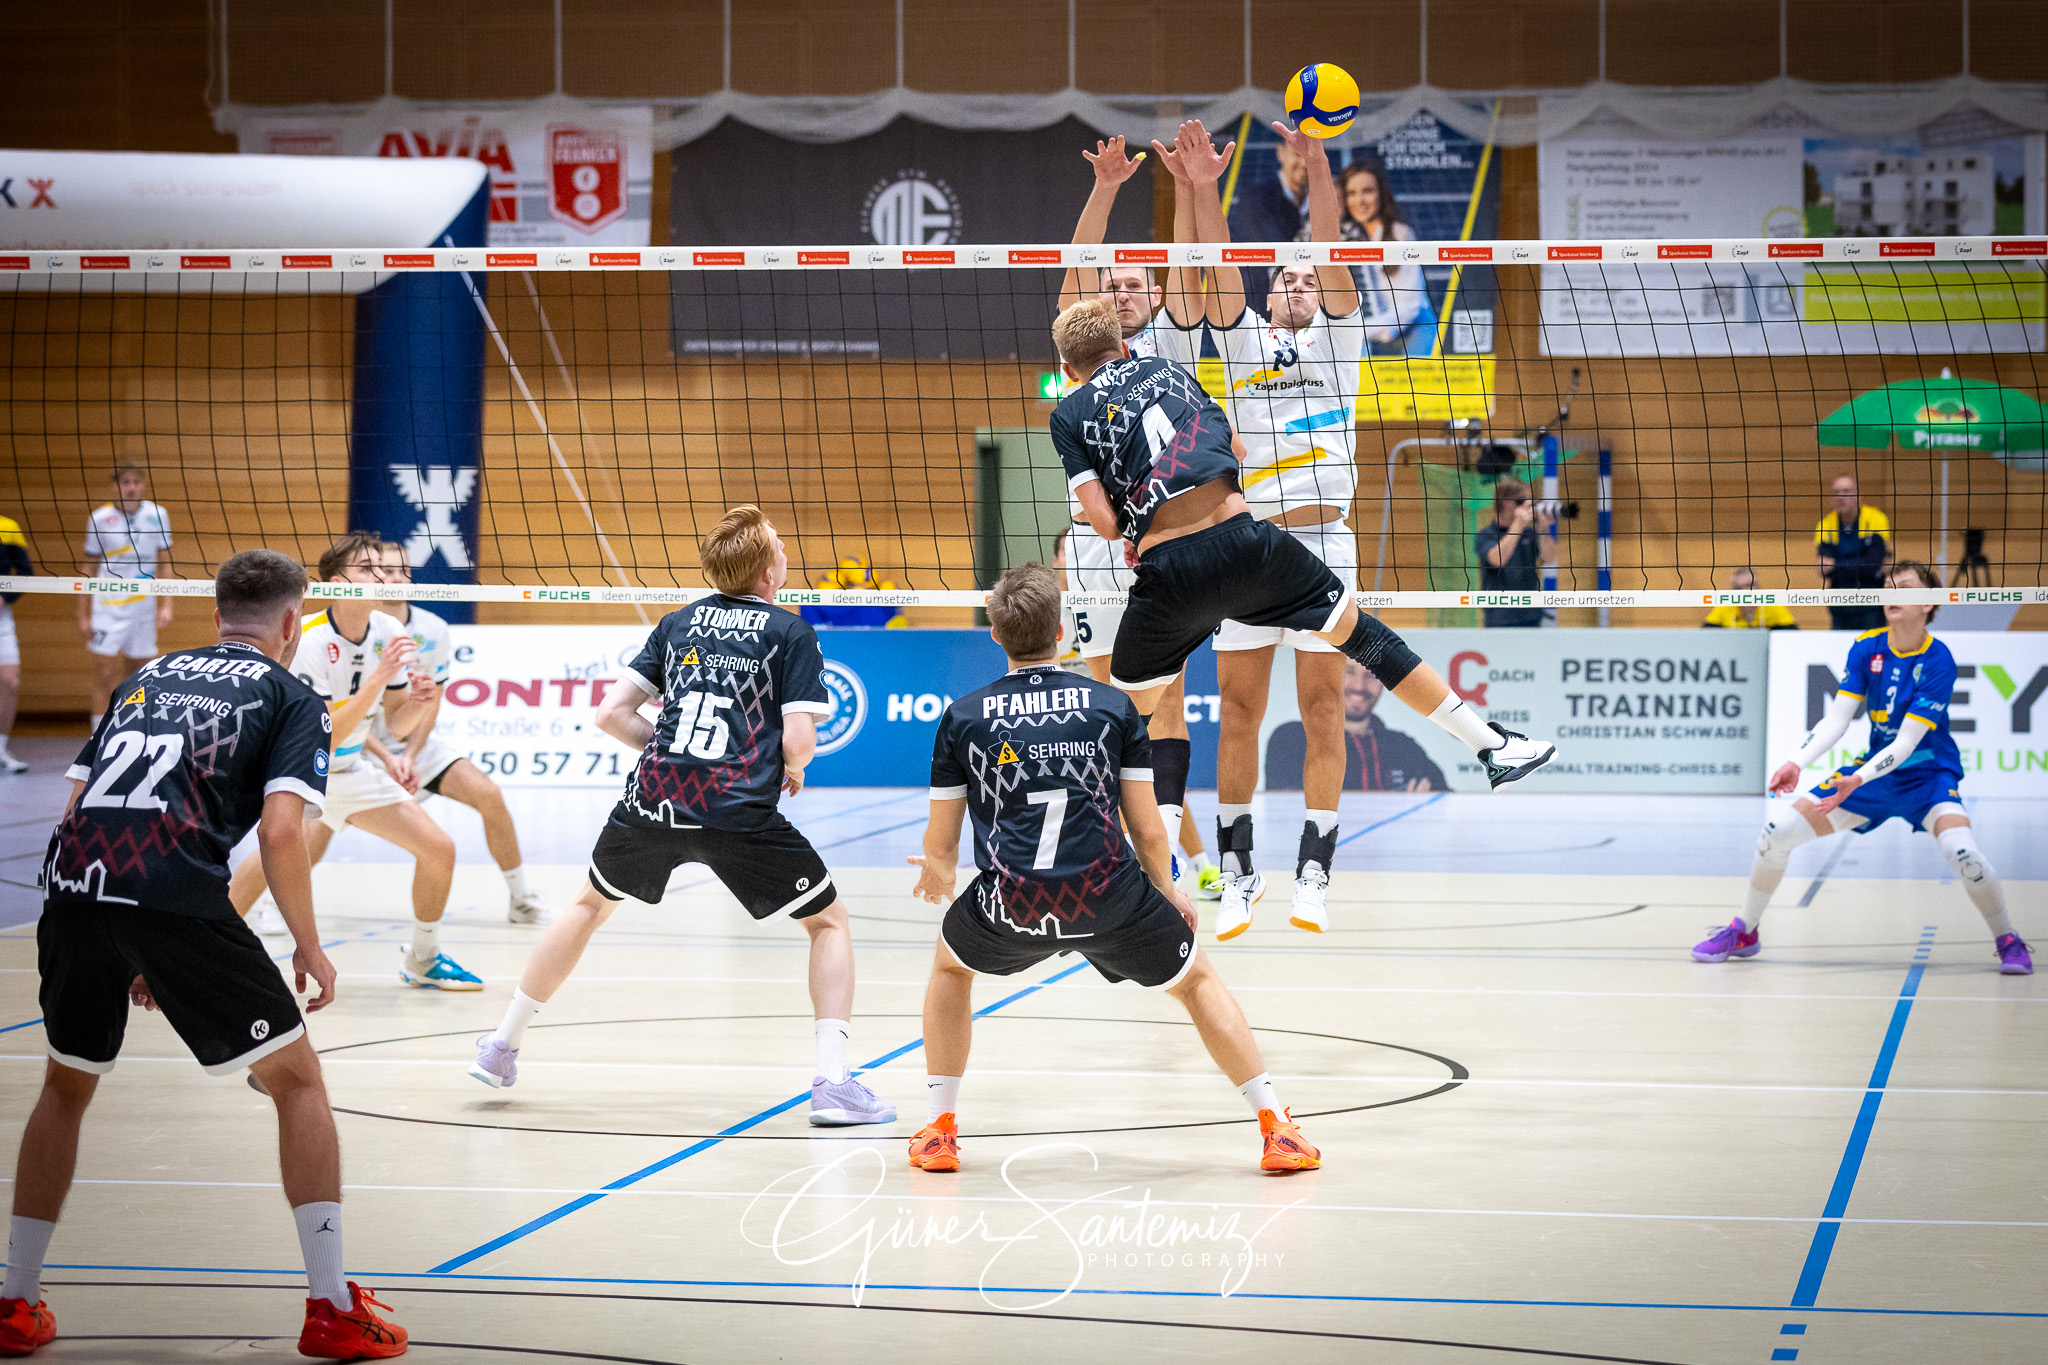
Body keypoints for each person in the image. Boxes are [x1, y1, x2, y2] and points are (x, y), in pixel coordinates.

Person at [1048, 293, 1555, 943]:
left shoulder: (1069, 412)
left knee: (1120, 725)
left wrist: (1140, 516)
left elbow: (1100, 520)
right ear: (1123, 346)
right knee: (1365, 638)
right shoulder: (1170, 370)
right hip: (1246, 548)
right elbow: (1232, 445)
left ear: (1069, 369)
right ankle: (1491, 745)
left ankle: (1102, 869)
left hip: (1170, 575)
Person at [6, 549, 408, 1360]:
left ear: (216, 613)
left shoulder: (144, 678)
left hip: (75, 886)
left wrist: (126, 930)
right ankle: (331, 1304)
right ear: (293, 621)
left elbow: (77, 802)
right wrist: (309, 946)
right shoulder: (291, 694)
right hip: (173, 890)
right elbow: (283, 831)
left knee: (64, 1085)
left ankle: (14, 1297)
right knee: (298, 1080)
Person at [469, 505, 895, 1126]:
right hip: (737, 811)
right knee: (828, 922)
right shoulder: (790, 631)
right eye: (779, 543)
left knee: (587, 907)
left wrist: (674, 754)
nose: (785, 550)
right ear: (768, 571)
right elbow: (800, 742)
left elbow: (611, 715)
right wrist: (787, 765)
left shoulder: (676, 623)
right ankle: (833, 1082)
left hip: (653, 802)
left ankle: (501, 1046)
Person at [905, 562, 1319, 1174]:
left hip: (1012, 904)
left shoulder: (963, 717)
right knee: (1197, 982)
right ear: (1062, 631)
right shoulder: (1112, 707)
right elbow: (1149, 829)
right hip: (1111, 897)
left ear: (996, 635)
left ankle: (940, 1130)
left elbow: (941, 847)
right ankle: (1276, 1127)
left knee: (950, 967)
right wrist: (1169, 892)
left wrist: (939, 876)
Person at [1165, 117, 1366, 936]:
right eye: (1285, 277)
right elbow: (1215, 263)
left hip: (1324, 544)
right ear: (1269, 294)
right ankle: (1240, 869)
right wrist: (1204, 187)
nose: (1299, 282)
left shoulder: (1341, 342)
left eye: (1308, 278)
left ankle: (1313, 872)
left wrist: (1317, 165)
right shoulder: (1244, 340)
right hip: (1250, 547)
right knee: (1239, 710)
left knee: (1322, 708)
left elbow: (1330, 245)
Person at [1694, 561, 2030, 975]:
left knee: (1965, 856)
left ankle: (2008, 939)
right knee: (1775, 834)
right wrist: (1796, 762)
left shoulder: (1939, 660)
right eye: (1889, 586)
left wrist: (1858, 777)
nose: (1892, 593)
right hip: (1870, 778)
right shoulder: (1866, 646)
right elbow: (1837, 719)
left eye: (1904, 587)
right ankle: (1745, 931)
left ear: (1927, 603)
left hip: (1927, 777)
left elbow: (1906, 743)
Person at [1053, 132, 1219, 902]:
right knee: (1112, 710)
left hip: (1164, 543)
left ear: (1152, 295)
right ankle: (1166, 853)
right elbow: (1073, 277)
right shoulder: (1081, 349)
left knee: (1167, 703)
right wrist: (1107, 188)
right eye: (1111, 283)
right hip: (1096, 552)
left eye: (1133, 283)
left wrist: (1189, 186)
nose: (1120, 291)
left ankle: (1174, 857)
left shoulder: (1173, 342)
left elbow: (1190, 264)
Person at [253, 542, 559, 935]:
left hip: (401, 744)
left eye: (399, 571)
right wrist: (385, 753)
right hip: (348, 747)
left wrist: (410, 750)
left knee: (485, 797)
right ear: (341, 581)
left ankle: (519, 901)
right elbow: (334, 727)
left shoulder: (422, 629)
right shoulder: (317, 637)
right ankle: (274, 903)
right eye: (379, 569)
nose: (390, 577)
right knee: (310, 829)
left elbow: (419, 710)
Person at [227, 531, 480, 992]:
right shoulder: (308, 640)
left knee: (439, 849)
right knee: (270, 861)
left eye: (382, 567)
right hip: (304, 770)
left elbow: (396, 725)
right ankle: (207, 949)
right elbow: (327, 733)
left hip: (351, 770)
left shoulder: (390, 630)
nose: (381, 576)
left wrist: (418, 702)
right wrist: (379, 678)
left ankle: (423, 959)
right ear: (336, 583)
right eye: (367, 568)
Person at [1053, 525, 1220, 898]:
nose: (1065, 560)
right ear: (1057, 560)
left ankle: (1194, 864)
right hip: (1084, 711)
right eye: (1062, 554)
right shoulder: (1052, 610)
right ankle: (1151, 862)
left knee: (1146, 768)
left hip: (1122, 692)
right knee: (1126, 776)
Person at [77, 464, 174, 730]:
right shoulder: (99, 518)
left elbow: (165, 562)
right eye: (125, 482)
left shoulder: (157, 514)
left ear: (143, 485)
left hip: (143, 607)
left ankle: (131, 731)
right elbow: (88, 567)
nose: (131, 487)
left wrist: (167, 604)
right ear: (115, 486)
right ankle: (98, 737)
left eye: (135, 482)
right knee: (103, 675)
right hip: (107, 608)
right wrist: (83, 615)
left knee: (139, 677)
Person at [1265, 660, 1447, 793]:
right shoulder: (1291, 739)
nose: (1359, 686)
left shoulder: (1403, 747)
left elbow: (1447, 805)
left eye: (1371, 674)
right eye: (1349, 671)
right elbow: (1288, 813)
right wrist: (1402, 810)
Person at [1327, 160, 1436, 357]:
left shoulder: (1400, 234)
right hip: (1369, 337)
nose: (1360, 200)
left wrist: (1362, 330)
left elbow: (1411, 306)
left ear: (1381, 194)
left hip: (1414, 332)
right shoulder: (1344, 240)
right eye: (1352, 193)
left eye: (1368, 191)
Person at [1225, 130, 1311, 301]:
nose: (1304, 163)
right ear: (1280, 152)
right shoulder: (1255, 198)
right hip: (1265, 302)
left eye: (1309, 156)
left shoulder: (1325, 201)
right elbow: (1260, 261)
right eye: (1297, 154)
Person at [1815, 474, 1890, 631]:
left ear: (1858, 495)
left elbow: (1873, 565)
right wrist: (1859, 564)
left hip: (1871, 603)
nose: (1841, 497)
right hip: (1840, 604)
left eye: (1846, 491)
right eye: (1836, 492)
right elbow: (1823, 569)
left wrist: (1836, 564)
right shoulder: (1825, 525)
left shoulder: (1876, 519)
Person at [1475, 476, 1553, 628]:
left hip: (1531, 617)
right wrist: (1518, 523)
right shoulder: (1485, 535)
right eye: (1523, 500)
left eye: (1531, 501)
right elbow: (1498, 559)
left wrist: (1543, 528)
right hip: (1500, 620)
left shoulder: (1529, 533)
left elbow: (1549, 558)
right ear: (1506, 502)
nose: (1529, 506)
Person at [0, 513, 32, 775]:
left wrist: (5, 596)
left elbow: (25, 572)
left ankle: (0, 750)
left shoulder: (7, 527)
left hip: (1, 617)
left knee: (10, 681)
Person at [1702, 567, 1798, 629]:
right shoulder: (1725, 605)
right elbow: (1706, 632)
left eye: (1750, 585)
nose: (1746, 590)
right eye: (1739, 587)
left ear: (1758, 586)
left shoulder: (1772, 604)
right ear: (1733, 590)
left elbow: (1792, 632)